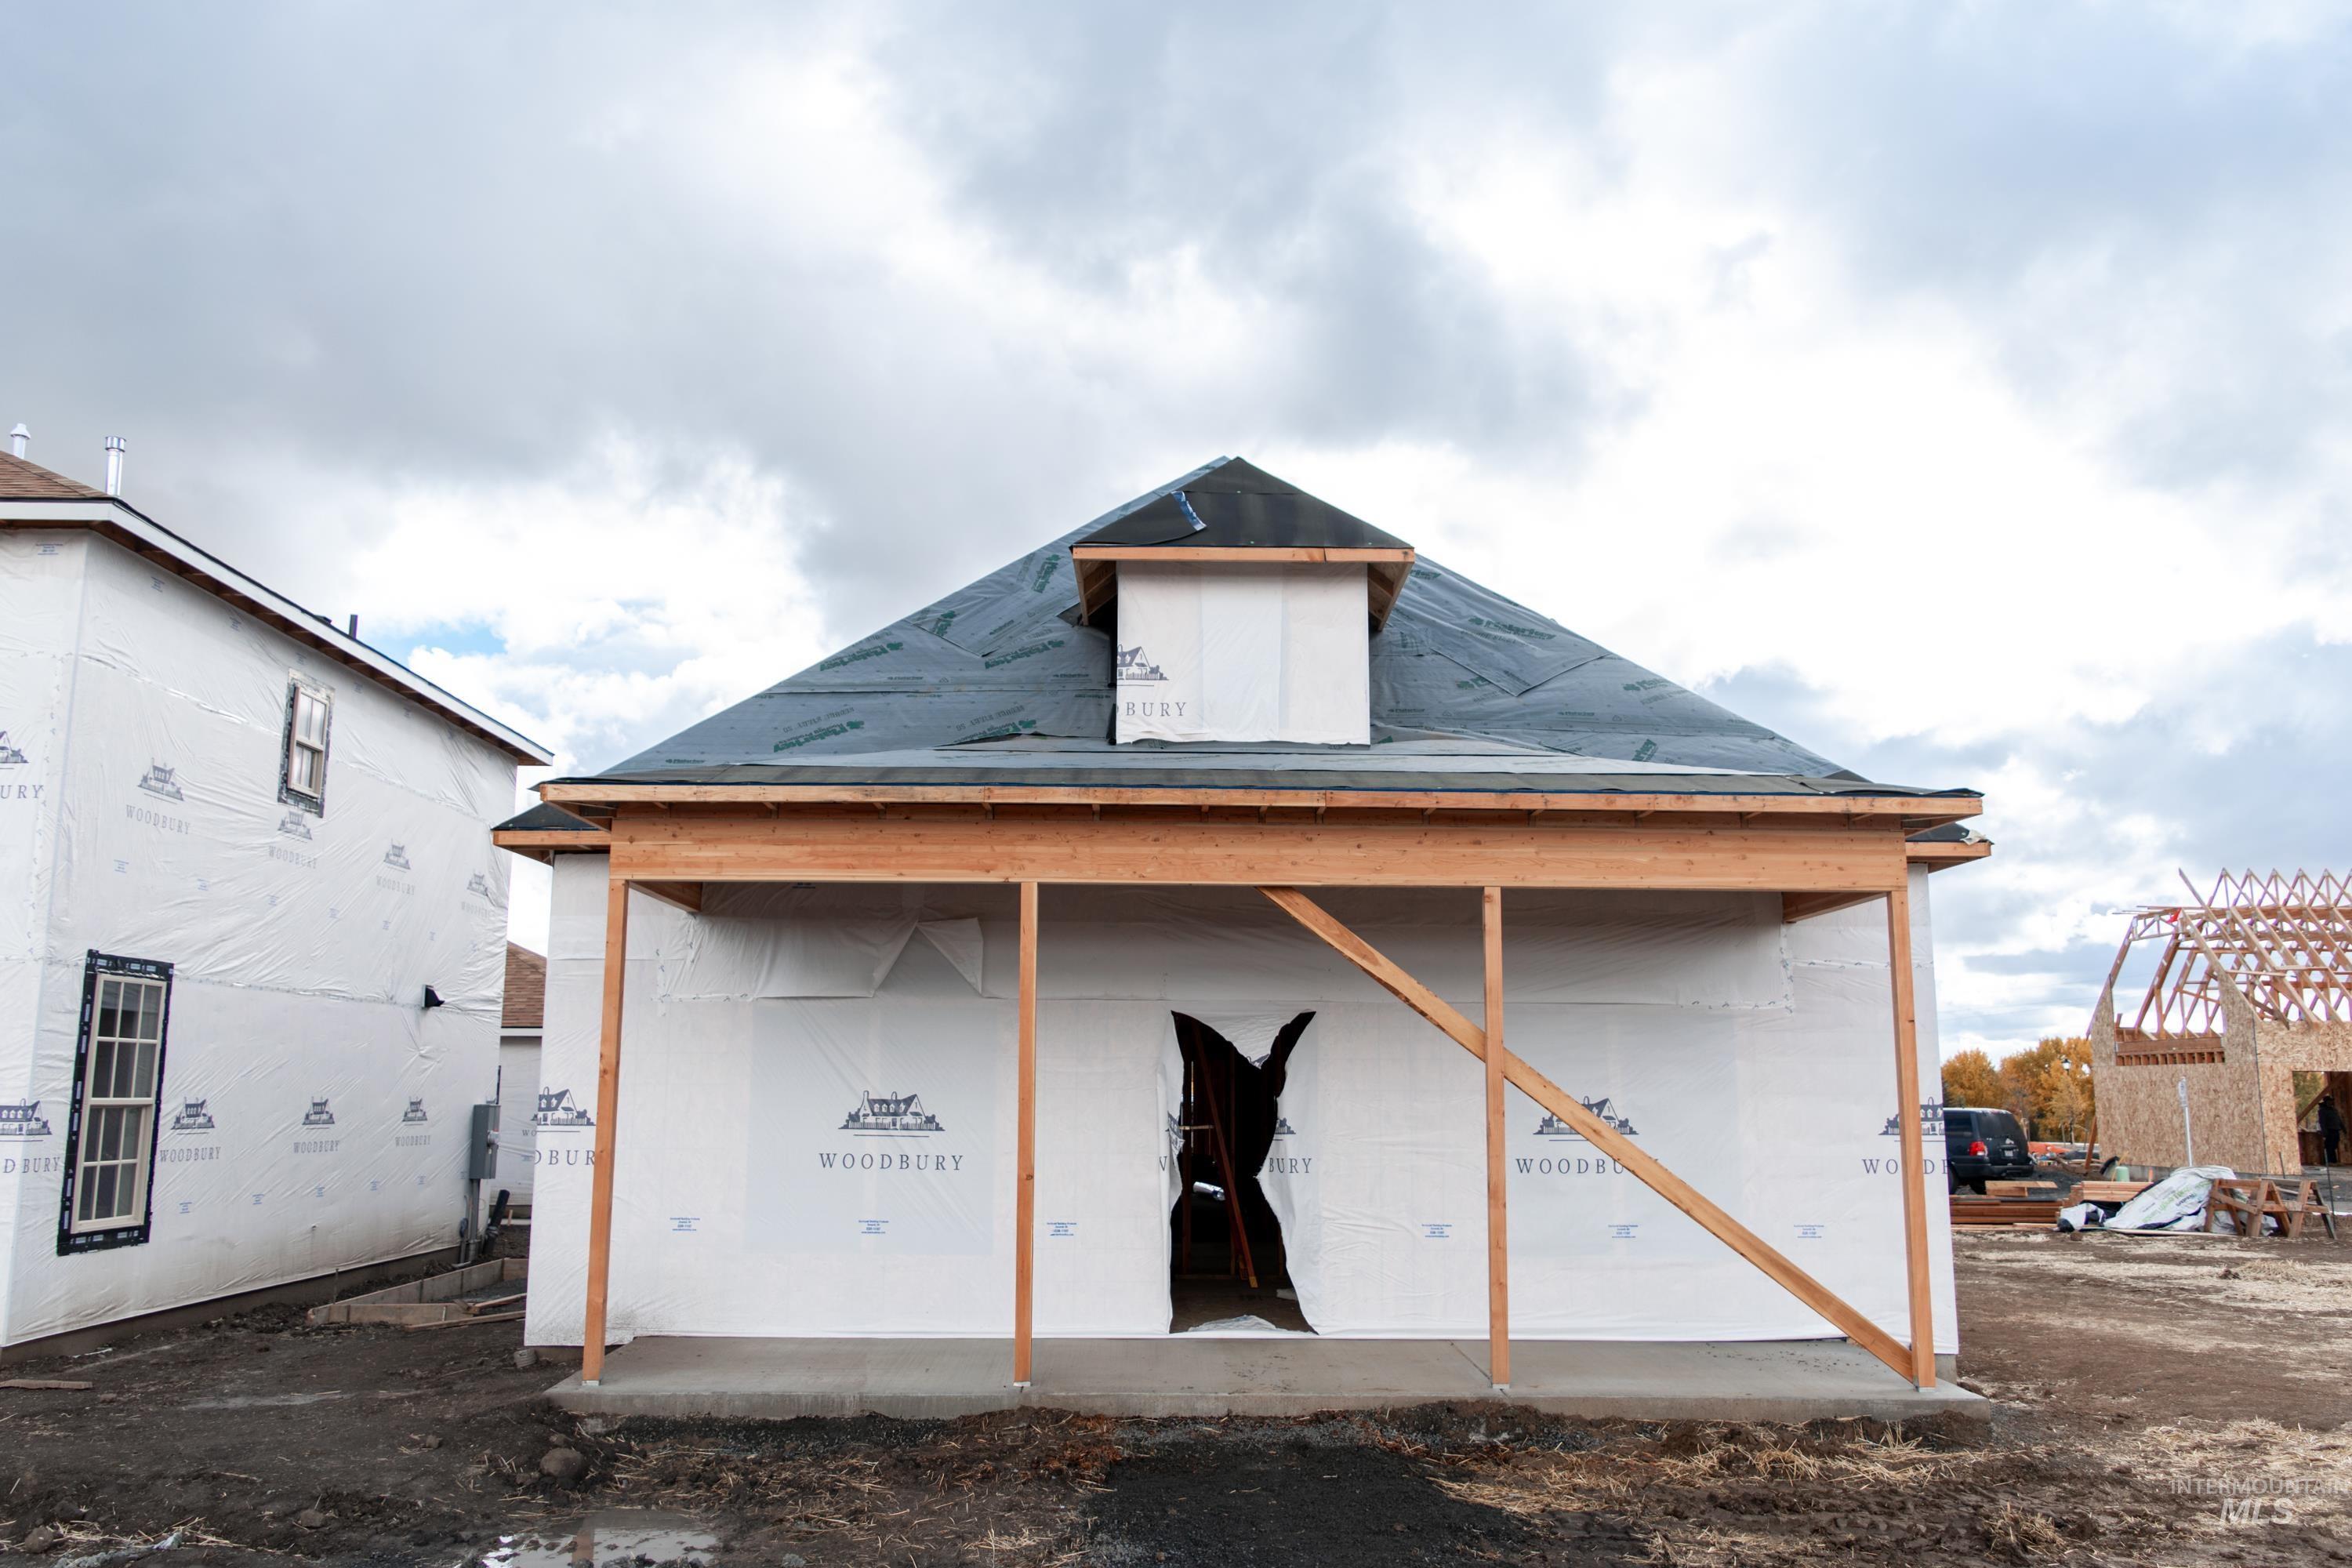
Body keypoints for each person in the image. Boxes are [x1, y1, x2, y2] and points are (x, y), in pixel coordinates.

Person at [2319, 1095, 2346, 1167]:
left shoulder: (2334, 1110)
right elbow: (2322, 1122)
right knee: (2329, 1146)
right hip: (2329, 1130)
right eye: (2330, 1101)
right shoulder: (2323, 1111)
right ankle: (2329, 1161)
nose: (2332, 1102)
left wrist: (2343, 1129)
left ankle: (2334, 1161)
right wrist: (2324, 1132)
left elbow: (2339, 1120)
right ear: (2326, 1101)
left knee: (2334, 1146)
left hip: (2336, 1130)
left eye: (2332, 1101)